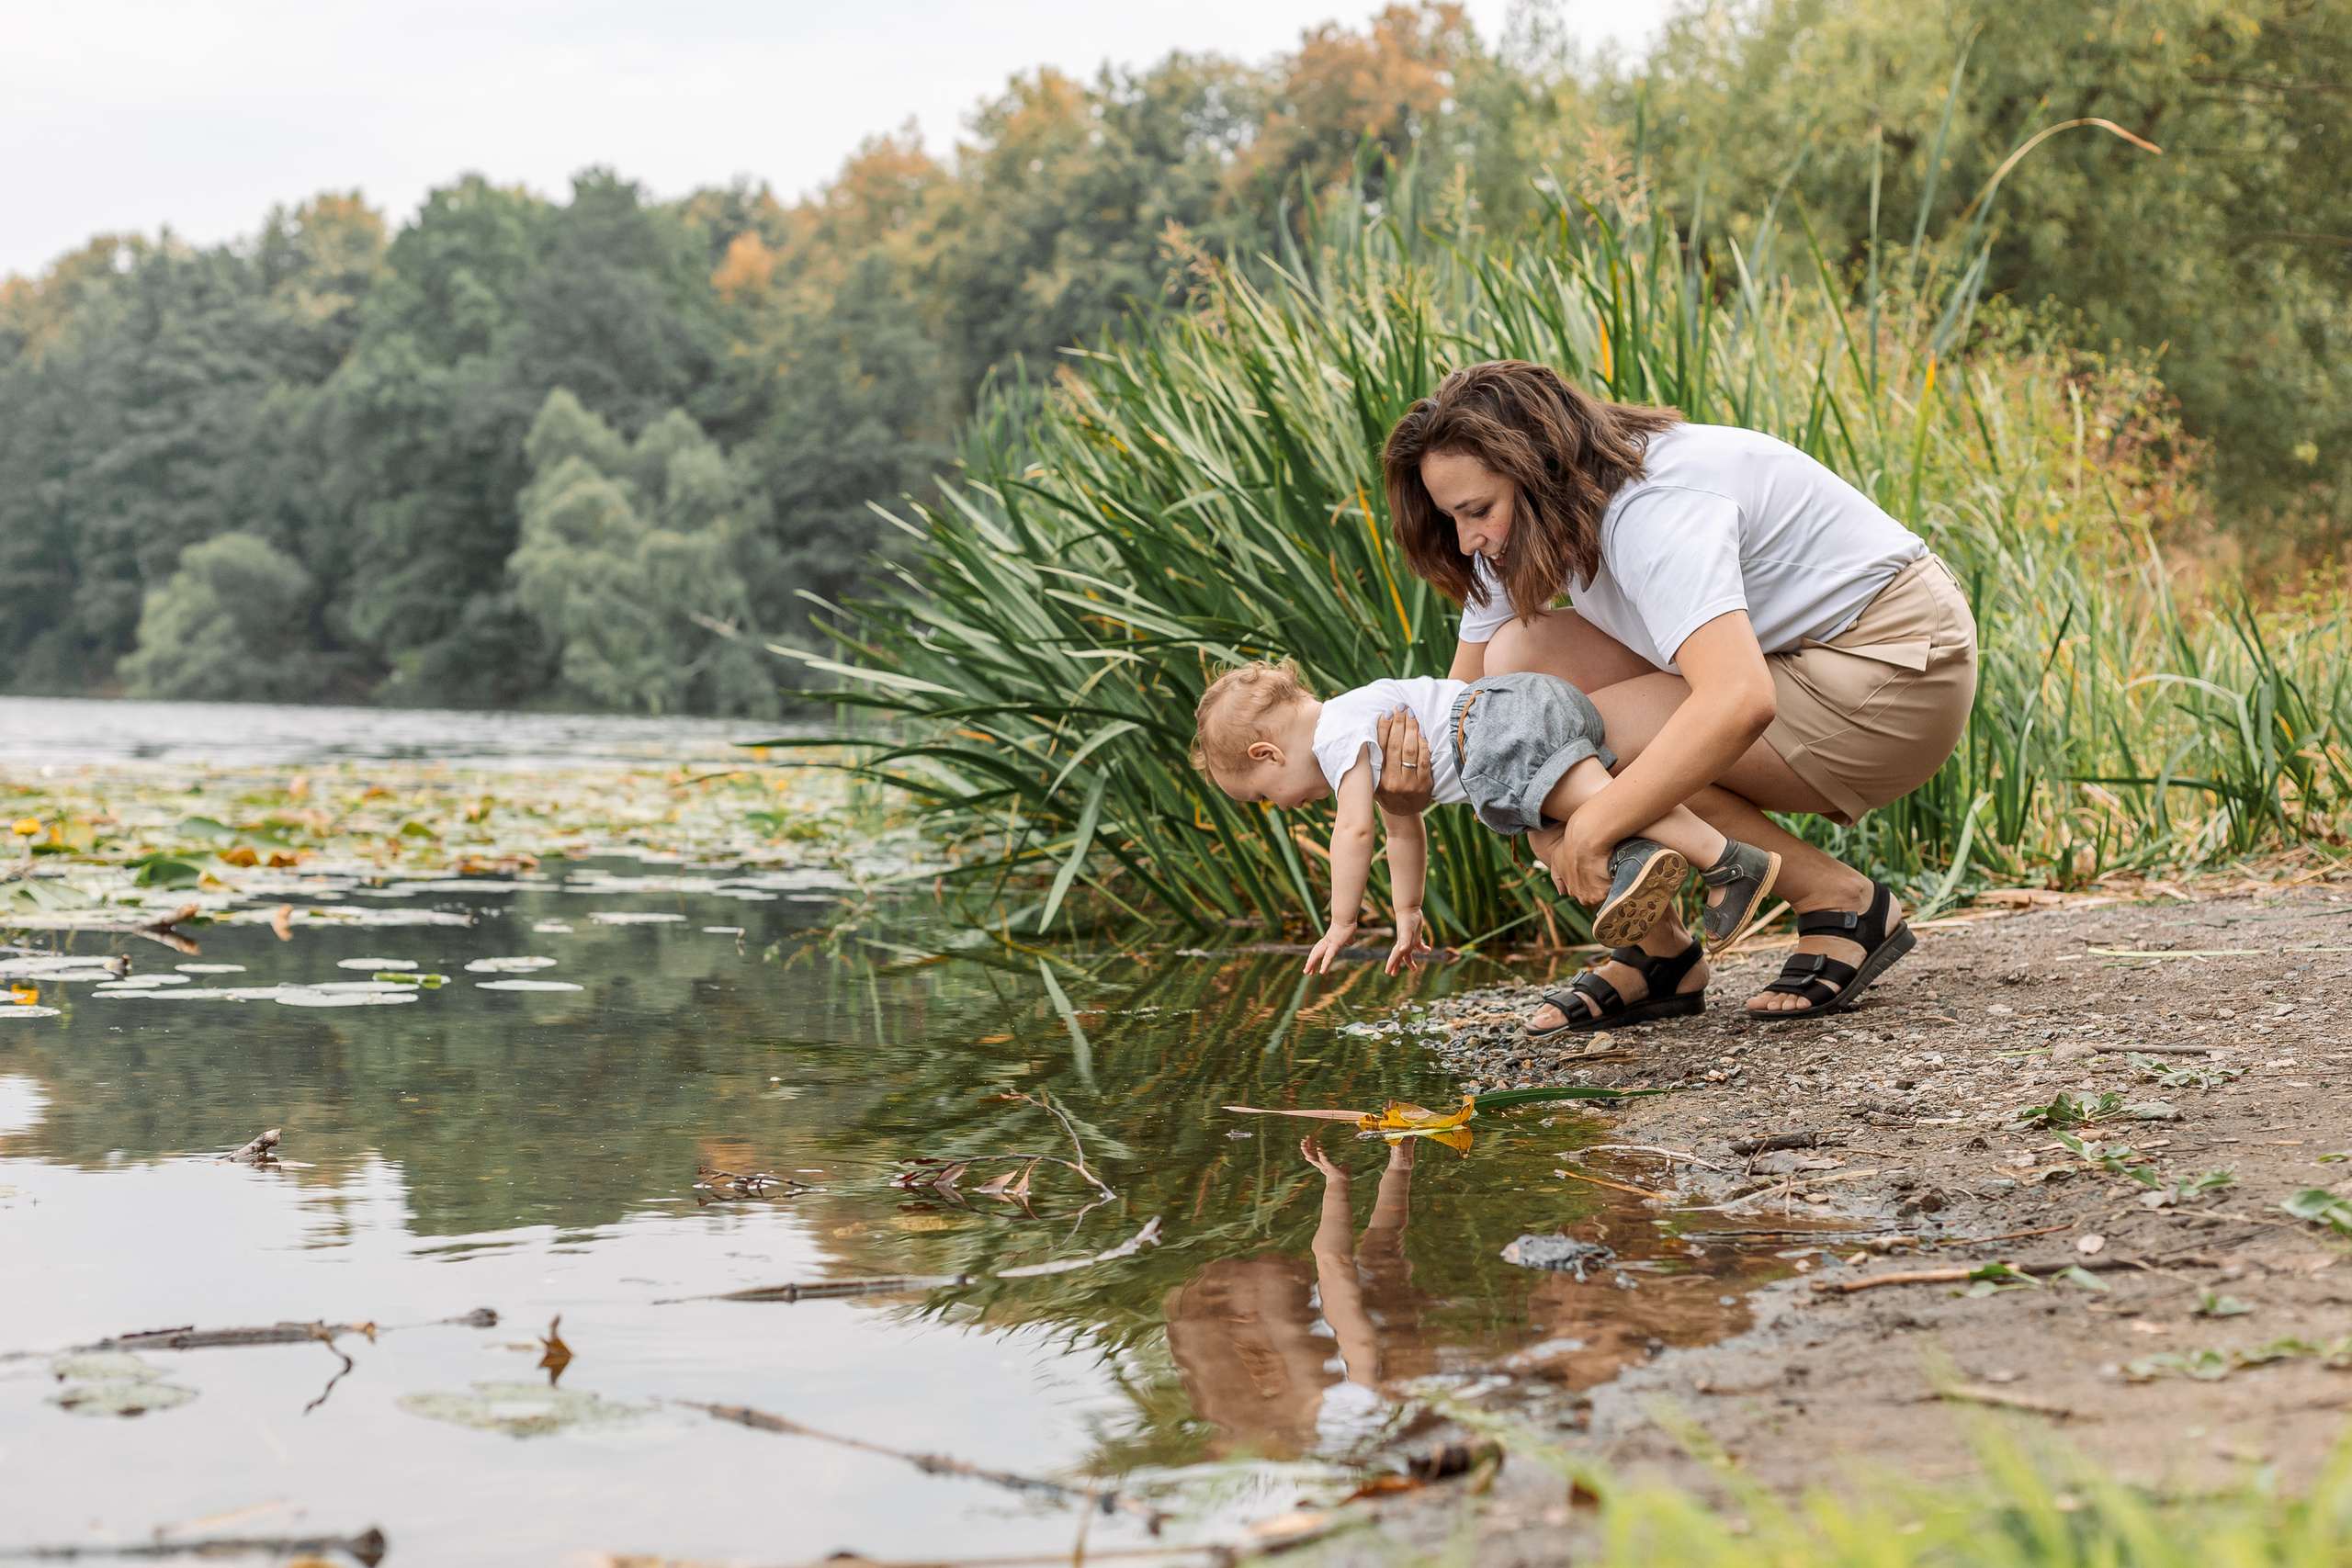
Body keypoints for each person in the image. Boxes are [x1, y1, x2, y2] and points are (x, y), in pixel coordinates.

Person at [1373, 359, 1977, 1029]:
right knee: (1516, 670)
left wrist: (1596, 823)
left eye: (1478, 511)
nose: (1467, 540)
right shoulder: (1519, 531)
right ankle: (1661, 953)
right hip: (1790, 654)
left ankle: (1841, 901)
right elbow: (1464, 713)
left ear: (1538, 468)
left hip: (1895, 665)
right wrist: (1407, 794)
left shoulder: (1652, 509)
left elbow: (1738, 699)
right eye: (1452, 517)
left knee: (1555, 741)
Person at [1189, 660, 1780, 995]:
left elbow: (1357, 835)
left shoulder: (1335, 735)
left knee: (1611, 805)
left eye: (1269, 797)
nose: (1286, 807)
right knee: (1582, 823)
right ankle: (1646, 868)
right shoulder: (1360, 725)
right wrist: (1408, 912)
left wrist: (1342, 922)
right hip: (1517, 712)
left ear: (1268, 753)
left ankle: (1727, 859)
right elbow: (1403, 830)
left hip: (1495, 729)